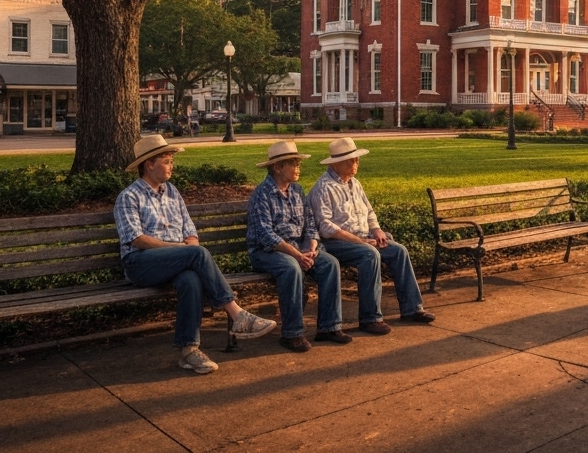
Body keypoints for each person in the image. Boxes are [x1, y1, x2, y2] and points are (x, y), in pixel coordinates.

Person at [115, 134, 277, 375]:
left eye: (171, 160)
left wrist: (188, 245)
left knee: (191, 280)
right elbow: (137, 239)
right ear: (149, 164)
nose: (172, 165)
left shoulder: (171, 192)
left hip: (174, 261)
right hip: (140, 263)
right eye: (167, 160)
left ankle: (188, 351)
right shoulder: (129, 197)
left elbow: (189, 230)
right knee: (196, 254)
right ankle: (237, 314)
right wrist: (181, 249)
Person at [309, 138, 436, 334]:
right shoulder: (323, 188)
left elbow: (369, 212)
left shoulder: (355, 183)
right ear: (334, 164)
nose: (355, 164)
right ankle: (370, 318)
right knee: (369, 254)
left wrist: (376, 230)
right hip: (336, 243)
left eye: (357, 160)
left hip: (364, 238)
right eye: (350, 161)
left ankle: (412, 309)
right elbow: (325, 227)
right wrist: (359, 241)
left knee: (398, 251)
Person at [246, 141, 353, 352]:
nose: (298, 168)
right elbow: (266, 235)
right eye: (293, 164)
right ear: (277, 167)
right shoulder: (261, 195)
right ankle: (292, 333)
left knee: (329, 264)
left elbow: (311, 225)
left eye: (298, 163)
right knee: (291, 268)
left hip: (298, 249)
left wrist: (312, 246)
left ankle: (329, 328)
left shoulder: (297, 191)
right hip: (267, 252)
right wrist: (296, 254)